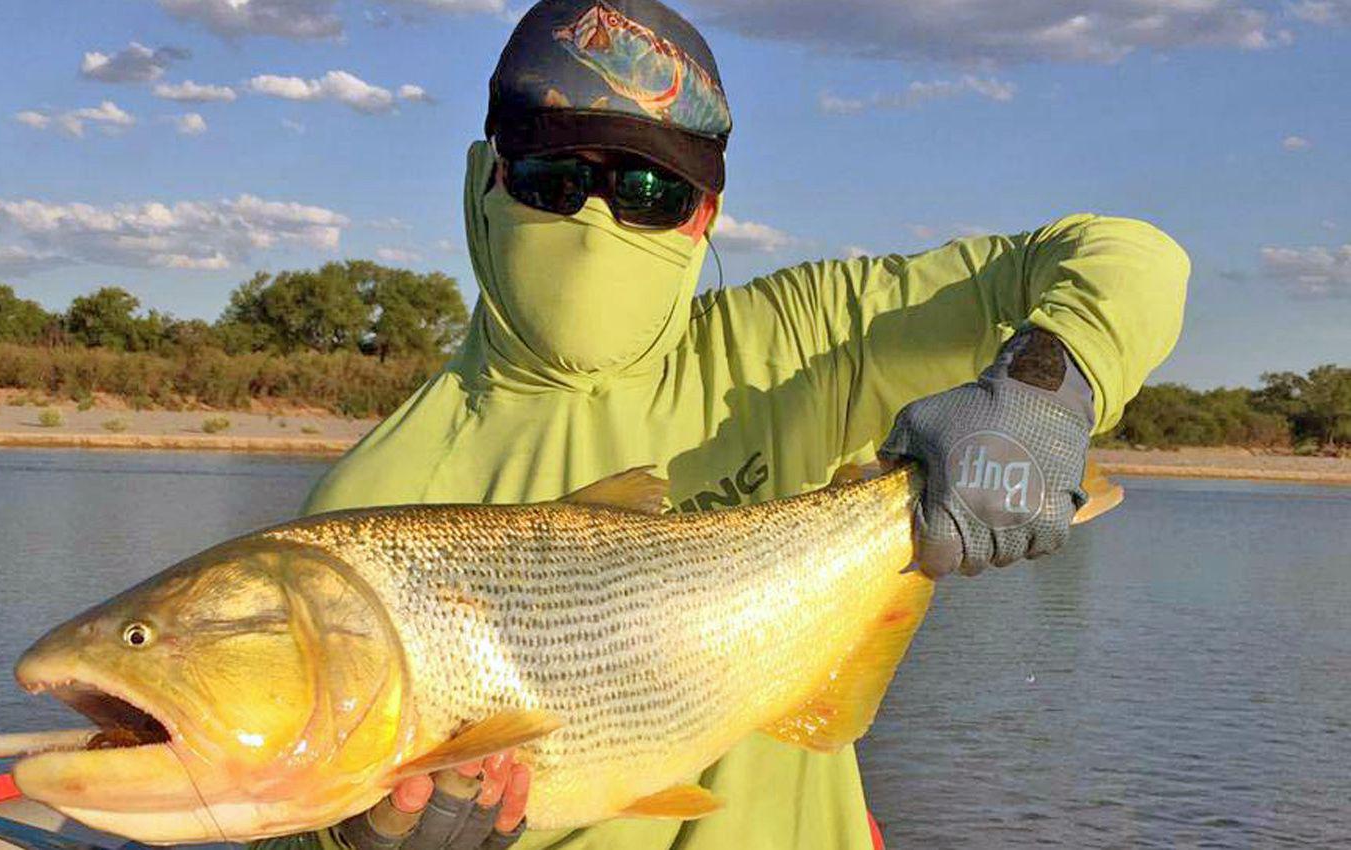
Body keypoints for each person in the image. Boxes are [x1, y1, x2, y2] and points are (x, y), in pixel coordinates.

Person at [263, 0, 1190, 847]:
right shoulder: (361, 516)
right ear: (486, 180)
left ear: (703, 215)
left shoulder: (799, 343)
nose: (597, 215)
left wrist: (1045, 387)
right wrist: (346, 841)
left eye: (649, 193)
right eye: (554, 176)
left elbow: (1130, 258)